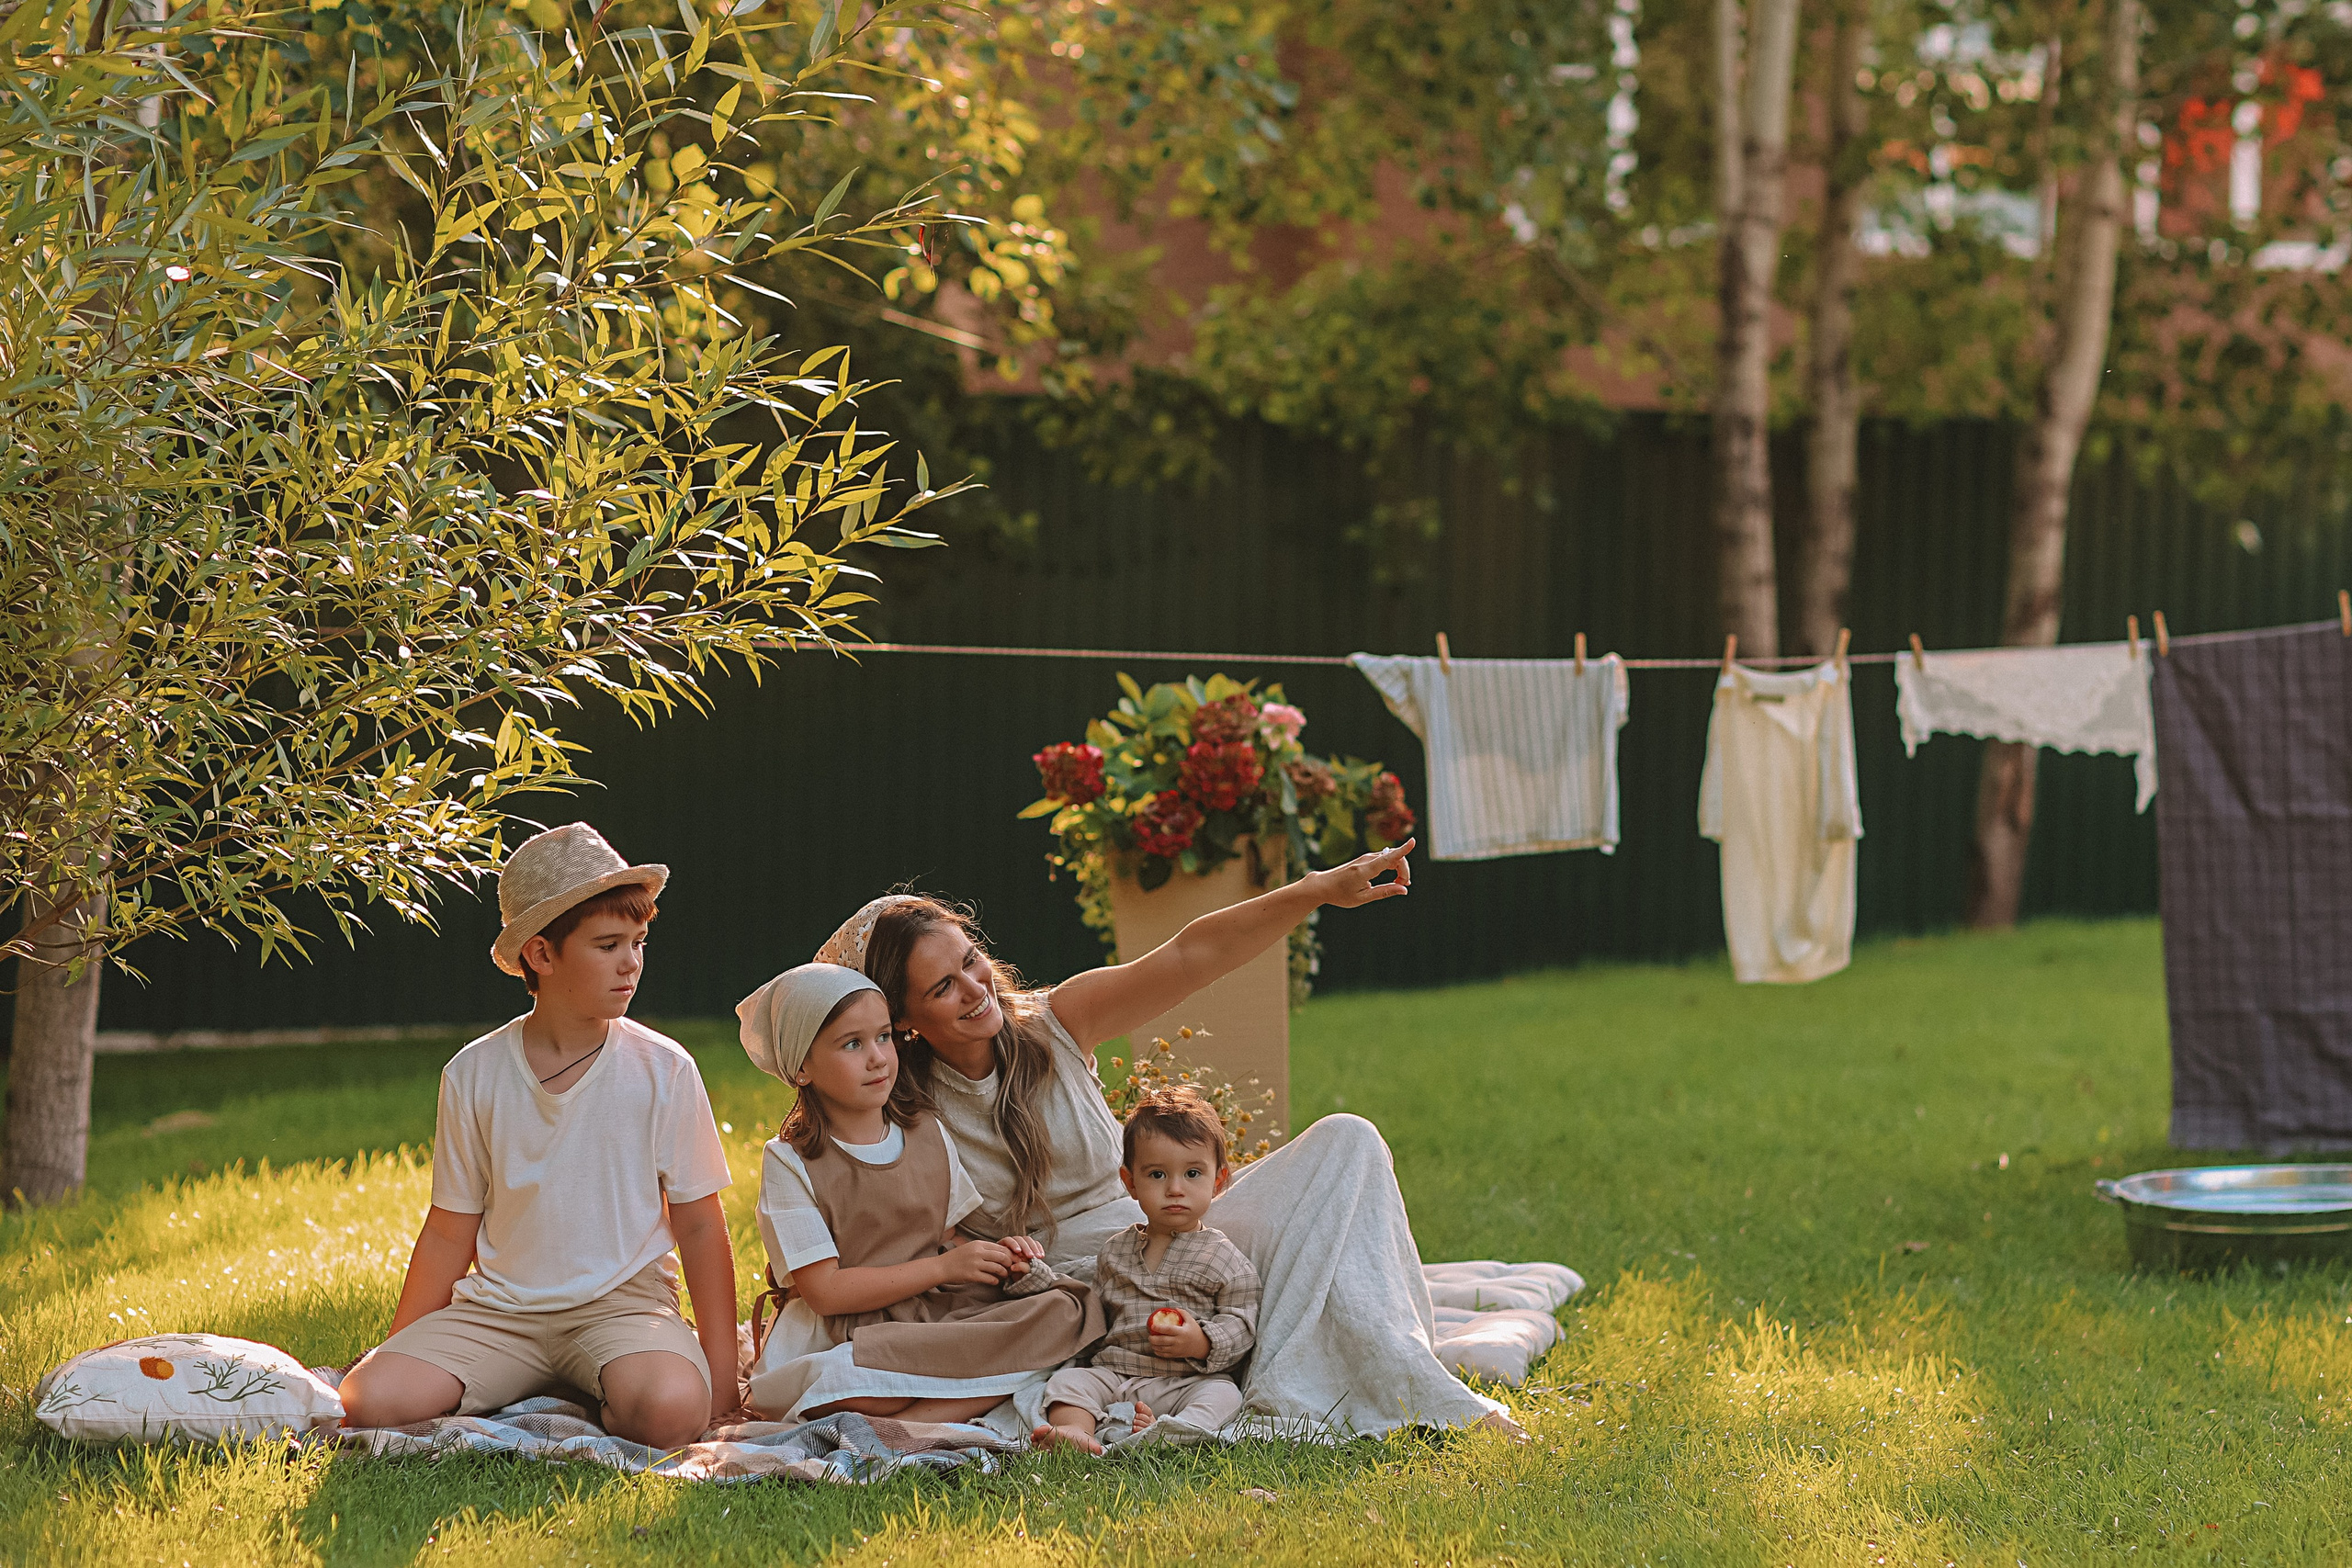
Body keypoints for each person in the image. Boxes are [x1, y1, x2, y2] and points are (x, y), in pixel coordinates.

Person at [820, 840, 1524, 1440]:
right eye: (943, 987)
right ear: (904, 1018)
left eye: (972, 960)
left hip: (1183, 1229)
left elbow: (1194, 954)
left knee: (1348, 1140)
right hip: (1083, 1294)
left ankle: (1395, 1361)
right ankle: (1303, 1374)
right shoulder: (900, 1105)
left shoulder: (1055, 1021)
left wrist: (1315, 891)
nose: (975, 988)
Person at [338, 824, 739, 1449]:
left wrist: (722, 1374)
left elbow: (699, 1224)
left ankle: (617, 1378)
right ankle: (567, 1385)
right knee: (369, 1400)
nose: (631, 960)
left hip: (623, 1309)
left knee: (672, 1412)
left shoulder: (665, 1069)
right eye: (607, 945)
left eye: (638, 941)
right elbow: (449, 1228)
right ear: (541, 954)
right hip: (499, 1312)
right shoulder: (474, 1072)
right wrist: (400, 1346)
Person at [736, 964, 1104, 1424]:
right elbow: (825, 1292)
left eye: (884, 1036)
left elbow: (947, 1237)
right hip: (847, 1331)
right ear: (802, 1068)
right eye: (853, 1044)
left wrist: (997, 1257)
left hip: (931, 1317)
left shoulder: (926, 1131)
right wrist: (943, 1267)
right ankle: (929, 1411)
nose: (878, 1058)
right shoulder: (791, 1161)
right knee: (860, 1388)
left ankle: (914, 1418)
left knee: (1065, 1312)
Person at [1034, 1087, 1260, 1453]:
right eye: (1156, 1175)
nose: (1174, 1189)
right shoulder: (1115, 1251)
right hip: (1116, 1372)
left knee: (1223, 1395)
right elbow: (1092, 1306)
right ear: (1130, 1183)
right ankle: (1076, 1432)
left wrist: (1201, 1342)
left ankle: (1173, 1432)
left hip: (1185, 1381)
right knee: (1068, 1383)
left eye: (1192, 1173)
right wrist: (1035, 1277)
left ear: (1218, 1181)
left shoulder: (1224, 1258)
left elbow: (1241, 1322)